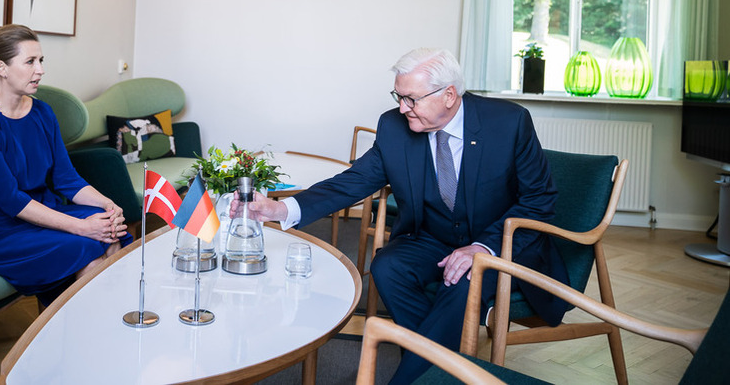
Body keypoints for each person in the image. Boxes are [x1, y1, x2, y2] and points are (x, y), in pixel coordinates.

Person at [235, 48, 568, 383]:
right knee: (388, 266)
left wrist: (481, 248)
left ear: (449, 95)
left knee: (464, 283)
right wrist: (282, 208)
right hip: (433, 237)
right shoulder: (395, 126)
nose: (402, 107)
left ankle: (411, 378)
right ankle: (438, 366)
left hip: (496, 243)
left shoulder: (508, 123)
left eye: (411, 99)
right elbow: (355, 181)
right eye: (399, 96)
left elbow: (540, 200)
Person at [0, 24, 130, 308]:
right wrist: (81, 227)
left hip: (42, 213)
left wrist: (108, 205)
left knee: (110, 226)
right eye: (30, 62)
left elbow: (66, 178)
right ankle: (81, 333)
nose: (40, 70)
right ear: (2, 68)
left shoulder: (43, 112)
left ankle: (105, 321)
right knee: (86, 243)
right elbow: (10, 200)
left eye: (41, 61)